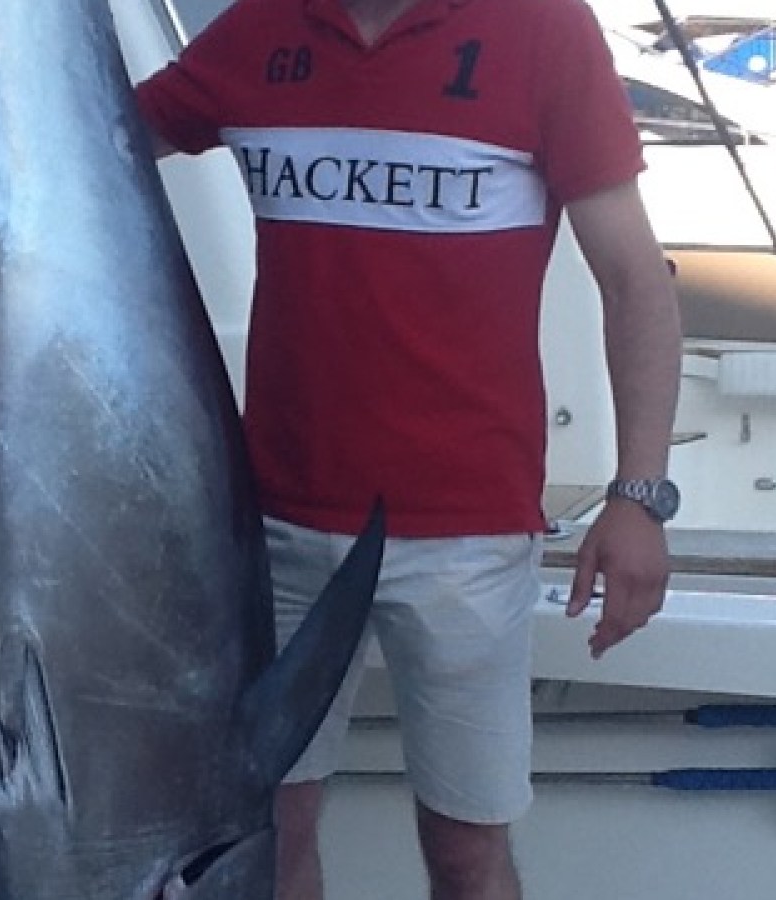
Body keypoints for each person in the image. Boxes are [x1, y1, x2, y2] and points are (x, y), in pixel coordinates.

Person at [136, 0, 682, 897]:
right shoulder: (258, 28)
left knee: (467, 846)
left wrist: (639, 497)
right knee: (264, 833)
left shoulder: (541, 28)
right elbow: (95, 142)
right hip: (276, 525)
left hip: (467, 536)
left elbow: (635, 286)